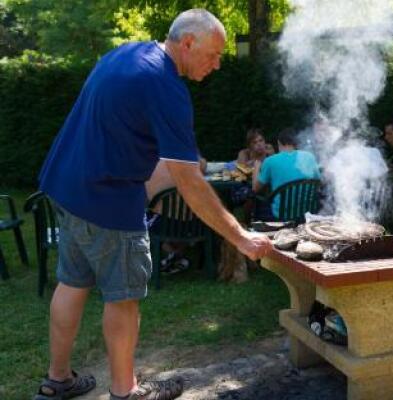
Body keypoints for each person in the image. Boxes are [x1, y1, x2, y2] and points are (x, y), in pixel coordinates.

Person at [34, 9, 272, 400]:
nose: (216, 65)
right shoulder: (165, 86)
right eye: (213, 55)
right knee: (123, 298)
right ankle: (126, 392)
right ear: (188, 42)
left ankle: (57, 380)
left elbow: (112, 127)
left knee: (72, 283)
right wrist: (241, 237)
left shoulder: (126, 54)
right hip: (109, 202)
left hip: (65, 187)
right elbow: (189, 182)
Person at [252, 128, 321, 220]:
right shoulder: (310, 157)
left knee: (259, 202)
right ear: (296, 143)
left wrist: (257, 166)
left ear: (279, 143)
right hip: (307, 212)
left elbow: (255, 188)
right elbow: (318, 182)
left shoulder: (270, 161)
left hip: (281, 215)